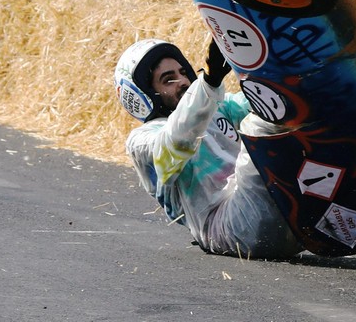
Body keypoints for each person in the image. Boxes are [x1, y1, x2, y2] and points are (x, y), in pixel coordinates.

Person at [116, 38, 301, 259]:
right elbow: (176, 142)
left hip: (287, 218)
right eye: (168, 80)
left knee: (285, 106)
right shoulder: (142, 141)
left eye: (183, 72)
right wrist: (210, 81)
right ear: (146, 95)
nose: (183, 81)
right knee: (260, 125)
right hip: (229, 229)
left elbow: (264, 101)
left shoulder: (217, 108)